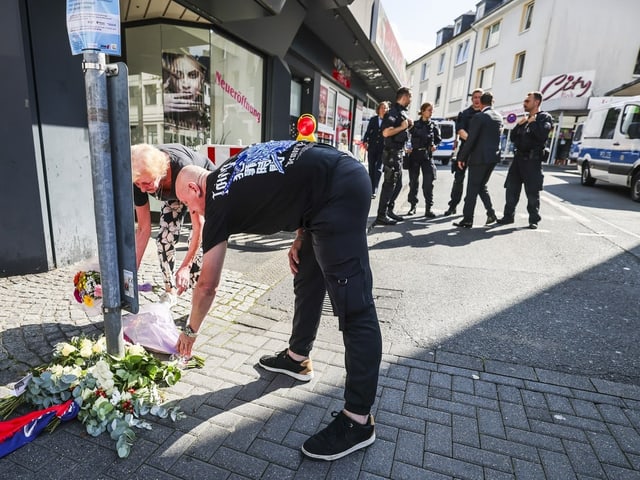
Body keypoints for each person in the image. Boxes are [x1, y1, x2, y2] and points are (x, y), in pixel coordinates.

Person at [173, 140, 382, 461]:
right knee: (308, 277)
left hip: (338, 192)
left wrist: (190, 331)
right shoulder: (231, 167)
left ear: (194, 188)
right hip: (328, 185)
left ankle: (358, 420)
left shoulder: (216, 201)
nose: (192, 213)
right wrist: (301, 235)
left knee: (355, 308)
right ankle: (297, 358)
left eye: (188, 206)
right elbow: (293, 171)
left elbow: (207, 286)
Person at [131, 143, 215, 302]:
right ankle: (170, 291)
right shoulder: (139, 177)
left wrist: (185, 266)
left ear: (159, 172)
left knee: (201, 246)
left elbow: (199, 226)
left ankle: (198, 297)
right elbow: (143, 229)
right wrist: (131, 275)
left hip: (200, 188)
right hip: (174, 192)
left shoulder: (183, 169)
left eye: (147, 184)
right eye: (137, 184)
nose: (142, 190)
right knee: (163, 239)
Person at [497, 91, 554, 229]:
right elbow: (513, 138)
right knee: (511, 188)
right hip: (518, 159)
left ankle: (533, 219)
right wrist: (518, 125)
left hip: (532, 161)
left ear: (536, 102)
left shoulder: (544, 118)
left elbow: (542, 136)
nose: (524, 103)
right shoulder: (525, 119)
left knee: (532, 192)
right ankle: (508, 216)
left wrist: (533, 124)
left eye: (527, 101)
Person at [452, 92, 502, 228]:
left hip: (479, 158)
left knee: (472, 189)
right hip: (492, 158)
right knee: (481, 186)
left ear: (481, 103)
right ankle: (491, 213)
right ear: (492, 102)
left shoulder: (479, 117)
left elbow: (471, 139)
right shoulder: (498, 117)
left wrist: (461, 158)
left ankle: (468, 219)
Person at [375, 87, 413, 226]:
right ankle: (381, 215)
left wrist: (408, 126)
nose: (411, 100)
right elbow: (385, 133)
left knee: (398, 185)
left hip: (398, 153)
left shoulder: (402, 112)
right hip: (391, 153)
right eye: (410, 97)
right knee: (389, 184)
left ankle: (389, 211)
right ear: (405, 96)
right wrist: (402, 127)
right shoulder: (393, 112)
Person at [444, 88, 484, 216]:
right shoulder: (465, 113)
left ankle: (468, 208)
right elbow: (460, 130)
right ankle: (453, 206)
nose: (477, 99)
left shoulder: (485, 114)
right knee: (458, 179)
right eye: (475, 97)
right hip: (465, 150)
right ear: (472, 99)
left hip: (478, 151)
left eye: (479, 97)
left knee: (474, 181)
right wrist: (473, 140)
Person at [406, 102, 441, 217]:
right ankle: (412, 206)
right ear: (423, 111)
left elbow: (438, 140)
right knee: (413, 183)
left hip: (427, 156)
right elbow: (406, 138)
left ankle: (428, 208)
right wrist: (407, 148)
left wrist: (435, 146)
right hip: (415, 155)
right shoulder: (414, 125)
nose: (431, 112)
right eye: (429, 110)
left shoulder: (434, 125)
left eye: (432, 110)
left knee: (428, 183)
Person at [162, 52, 209, 131]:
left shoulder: (205, 113)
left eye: (193, 75)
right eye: (178, 76)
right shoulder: (166, 110)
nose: (186, 85)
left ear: (202, 80)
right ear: (170, 81)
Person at [362, 101, 390, 198]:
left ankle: (374, 190)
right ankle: (369, 188)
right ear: (378, 109)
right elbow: (368, 131)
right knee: (371, 168)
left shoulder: (388, 121)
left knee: (378, 169)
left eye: (385, 108)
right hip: (372, 147)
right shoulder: (373, 119)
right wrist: (365, 141)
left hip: (383, 148)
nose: (383, 109)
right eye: (382, 107)